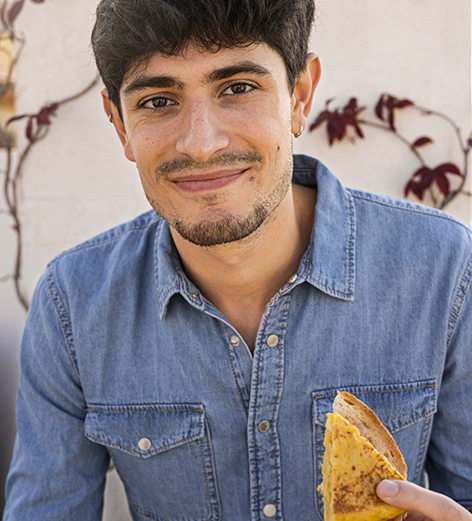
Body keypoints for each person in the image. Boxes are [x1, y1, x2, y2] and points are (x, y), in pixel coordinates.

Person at [3, 0, 472, 520]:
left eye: (239, 88)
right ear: (120, 125)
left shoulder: (444, 269)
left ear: (299, 95)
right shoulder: (72, 302)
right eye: (158, 101)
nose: (201, 144)